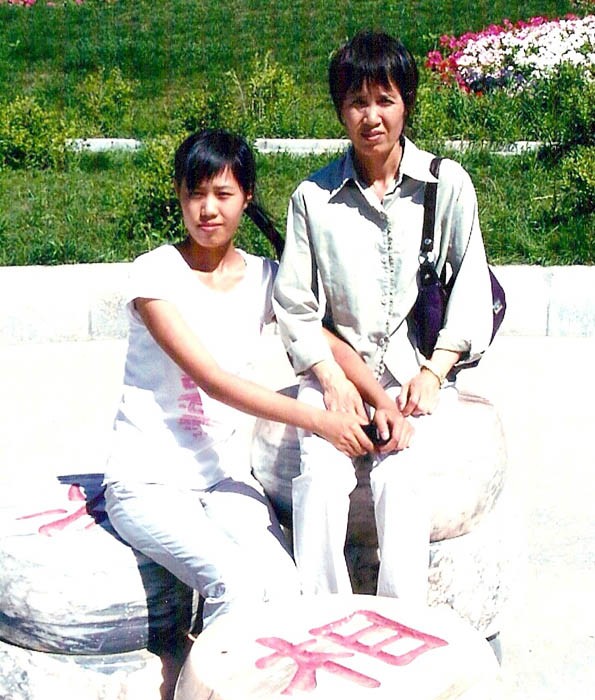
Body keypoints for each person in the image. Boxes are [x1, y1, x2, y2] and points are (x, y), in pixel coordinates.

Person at [103, 128, 379, 648]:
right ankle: (204, 682)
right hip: (146, 482)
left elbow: (326, 342)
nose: (208, 209)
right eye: (195, 194)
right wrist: (322, 421)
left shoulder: (265, 277)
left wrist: (380, 399)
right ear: (179, 195)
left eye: (223, 194)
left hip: (225, 479)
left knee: (285, 588)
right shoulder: (154, 276)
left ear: (246, 197)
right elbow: (213, 381)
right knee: (235, 585)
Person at [273, 30, 494, 604]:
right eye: (356, 102)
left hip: (411, 371)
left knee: (402, 476)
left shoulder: (446, 185)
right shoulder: (312, 197)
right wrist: (330, 381)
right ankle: (320, 616)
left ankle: (402, 619)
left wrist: (435, 372)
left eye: (385, 100)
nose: (371, 117)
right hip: (334, 374)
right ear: (340, 110)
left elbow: (471, 285)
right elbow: (294, 304)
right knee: (321, 478)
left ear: (406, 103)